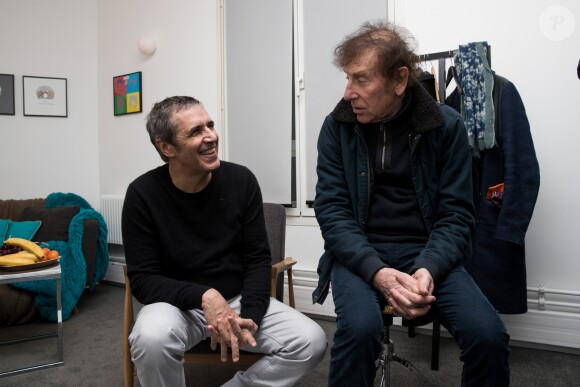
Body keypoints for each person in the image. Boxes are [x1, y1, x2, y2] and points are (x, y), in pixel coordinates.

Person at [312, 21, 510, 386]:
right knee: (359, 331)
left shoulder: (446, 127)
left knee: (488, 336)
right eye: (347, 79)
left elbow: (457, 214)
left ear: (399, 80)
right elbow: (332, 212)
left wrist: (429, 268)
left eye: (361, 80)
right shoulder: (336, 127)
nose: (348, 93)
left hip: (428, 251)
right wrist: (378, 273)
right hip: (359, 251)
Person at [122, 96, 326, 387]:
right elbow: (143, 279)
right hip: (176, 306)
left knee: (311, 342)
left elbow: (257, 259)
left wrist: (250, 316)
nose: (211, 136)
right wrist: (205, 297)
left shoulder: (241, 180)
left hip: (238, 301)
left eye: (211, 125)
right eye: (195, 131)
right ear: (166, 147)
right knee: (150, 339)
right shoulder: (142, 194)